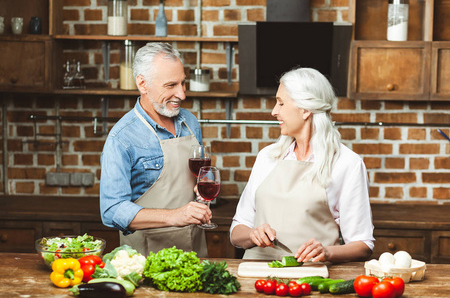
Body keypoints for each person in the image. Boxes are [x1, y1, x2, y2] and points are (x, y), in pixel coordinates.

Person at [230, 67, 374, 263]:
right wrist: (252, 234)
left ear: (306, 110)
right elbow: (237, 230)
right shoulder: (267, 157)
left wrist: (327, 252)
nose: (274, 111)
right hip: (257, 274)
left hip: (312, 277)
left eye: (281, 103)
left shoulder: (347, 164)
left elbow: (363, 245)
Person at [100, 42, 211, 257]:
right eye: (171, 85)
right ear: (143, 84)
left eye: (183, 83)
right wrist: (173, 216)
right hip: (147, 257)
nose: (182, 94)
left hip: (194, 251)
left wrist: (202, 193)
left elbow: (198, 180)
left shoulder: (190, 121)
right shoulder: (121, 138)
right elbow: (111, 210)